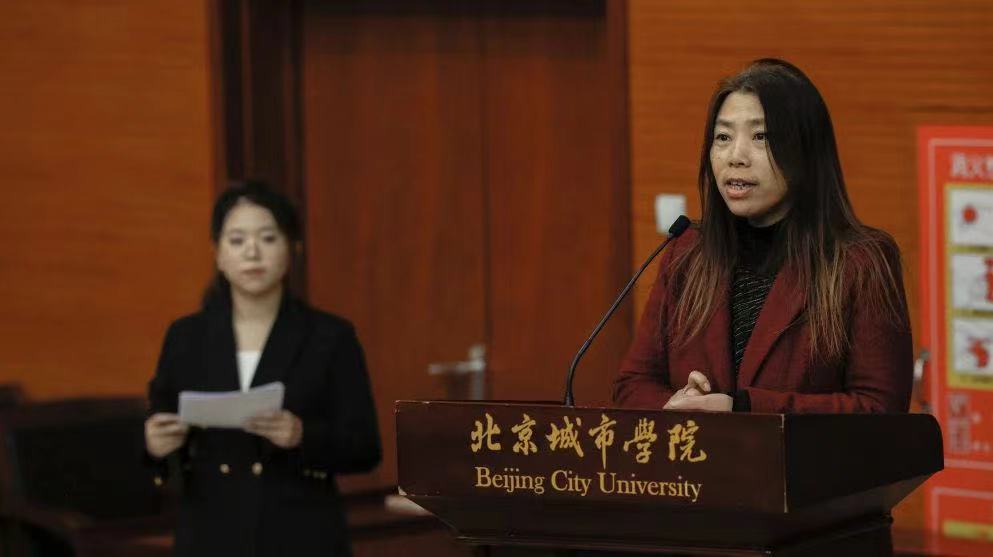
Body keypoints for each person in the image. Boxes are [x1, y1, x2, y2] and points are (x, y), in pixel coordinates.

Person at [614, 59, 912, 414]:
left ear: (805, 150)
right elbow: (633, 385)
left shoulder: (861, 262)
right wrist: (679, 405)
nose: (736, 157)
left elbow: (880, 408)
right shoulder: (686, 252)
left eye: (761, 137)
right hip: (698, 452)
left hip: (799, 455)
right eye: (723, 137)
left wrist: (743, 409)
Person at [144, 181, 381, 556]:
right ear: (218, 254)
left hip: (300, 533)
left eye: (268, 238)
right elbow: (160, 435)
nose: (252, 252)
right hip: (210, 532)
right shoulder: (186, 337)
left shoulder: (330, 336)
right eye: (237, 240)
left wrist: (302, 434)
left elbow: (365, 447)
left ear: (293, 248)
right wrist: (155, 446)